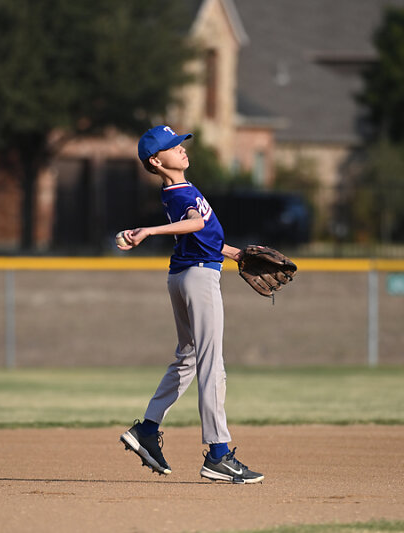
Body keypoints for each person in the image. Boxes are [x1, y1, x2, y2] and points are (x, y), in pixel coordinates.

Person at [117, 125, 263, 484]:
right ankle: (218, 454)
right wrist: (148, 231)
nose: (182, 148)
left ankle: (147, 430)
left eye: (181, 143)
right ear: (156, 161)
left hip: (183, 275)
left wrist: (237, 254)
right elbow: (195, 222)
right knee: (211, 364)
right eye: (173, 146)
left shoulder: (177, 190)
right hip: (198, 279)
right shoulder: (181, 193)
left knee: (189, 358)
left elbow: (200, 234)